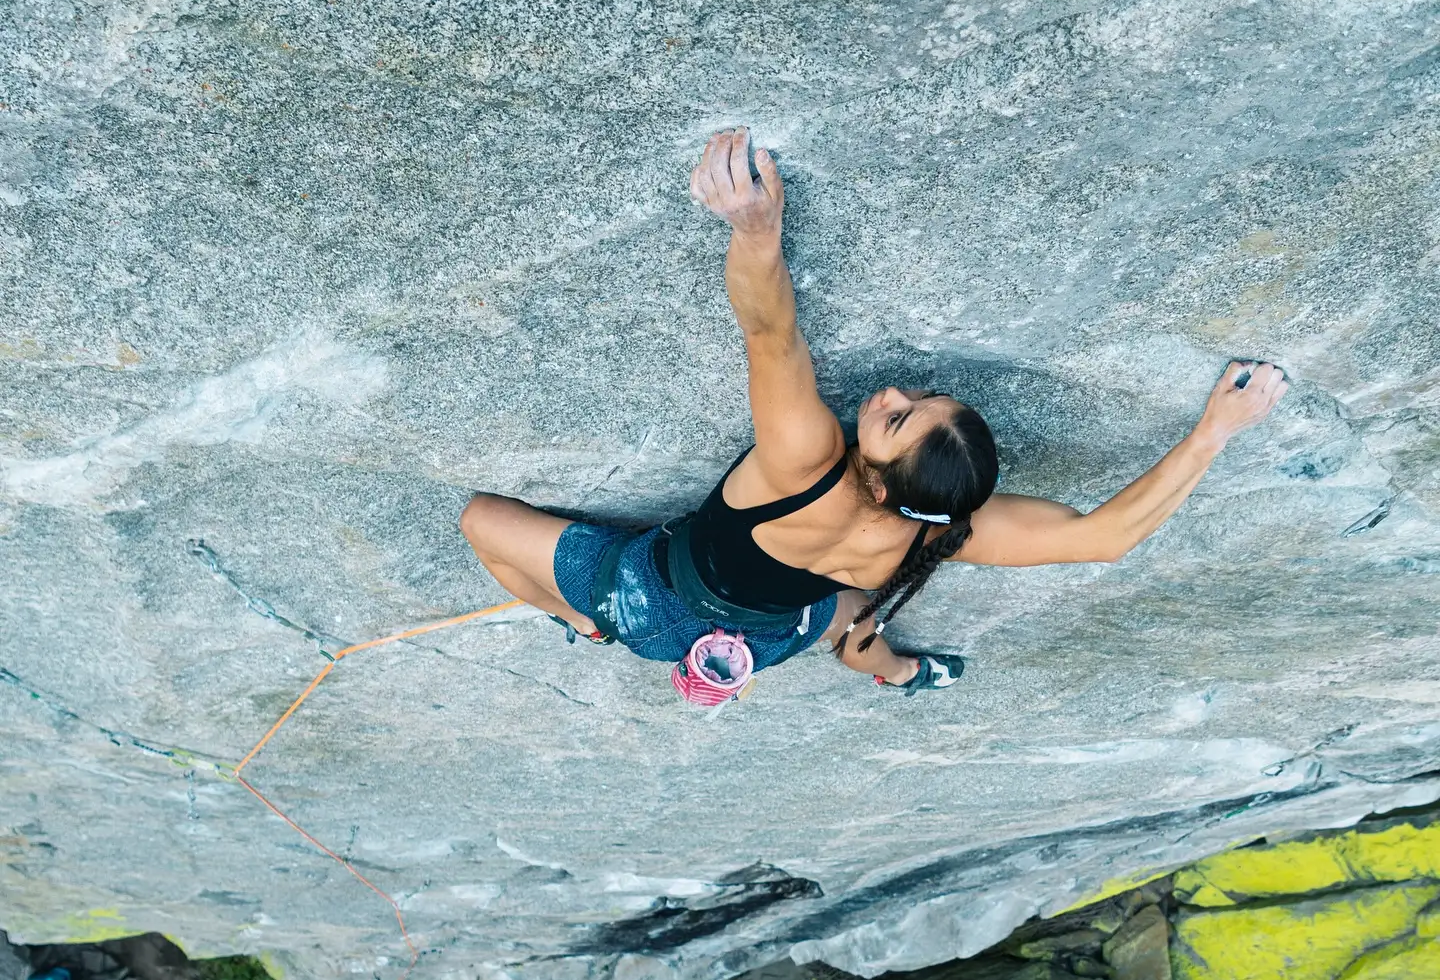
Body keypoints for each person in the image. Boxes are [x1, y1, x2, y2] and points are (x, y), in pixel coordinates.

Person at [460, 127, 1289, 696]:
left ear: (886, 478)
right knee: (854, 619)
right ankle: (900, 675)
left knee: (482, 524)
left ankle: (584, 624)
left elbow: (771, 334)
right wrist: (1214, 433)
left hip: (654, 604)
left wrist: (755, 230)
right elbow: (1103, 538)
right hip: (788, 629)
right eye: (924, 400)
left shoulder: (800, 461)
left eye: (899, 419)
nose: (894, 393)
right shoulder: (939, 533)